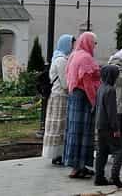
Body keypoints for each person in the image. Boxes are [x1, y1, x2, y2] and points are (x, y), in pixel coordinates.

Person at [64, 32, 101, 180]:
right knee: (83, 132)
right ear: (88, 42)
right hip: (83, 98)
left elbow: (68, 75)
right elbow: (88, 84)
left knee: (73, 131)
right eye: (94, 43)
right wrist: (94, 102)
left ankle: (78, 166)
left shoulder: (74, 55)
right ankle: (78, 167)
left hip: (74, 96)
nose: (95, 46)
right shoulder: (85, 58)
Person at [42, 34, 74, 165]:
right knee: (59, 126)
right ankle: (57, 154)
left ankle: (58, 154)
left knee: (58, 126)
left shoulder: (59, 57)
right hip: (60, 96)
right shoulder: (61, 60)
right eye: (72, 43)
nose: (73, 46)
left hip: (57, 96)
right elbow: (65, 83)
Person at [94, 64, 122, 188]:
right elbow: (111, 112)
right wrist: (116, 129)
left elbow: (95, 107)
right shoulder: (111, 90)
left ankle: (99, 177)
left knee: (101, 152)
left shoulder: (101, 88)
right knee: (119, 150)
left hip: (99, 125)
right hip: (108, 126)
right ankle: (115, 176)